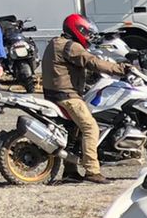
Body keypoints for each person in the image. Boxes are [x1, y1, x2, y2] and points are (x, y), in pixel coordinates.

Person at [41, 13, 128, 181]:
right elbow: (93, 62)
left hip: (56, 94)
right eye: (86, 32)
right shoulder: (70, 46)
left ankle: (70, 170)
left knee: (74, 131)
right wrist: (121, 69)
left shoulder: (56, 42)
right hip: (67, 96)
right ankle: (92, 171)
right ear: (77, 29)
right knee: (90, 127)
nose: (88, 37)